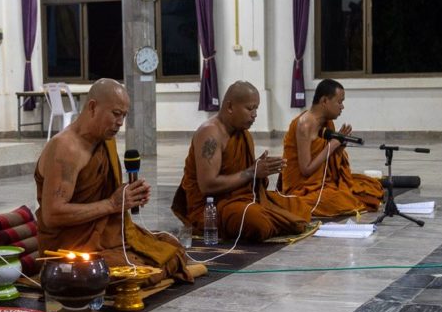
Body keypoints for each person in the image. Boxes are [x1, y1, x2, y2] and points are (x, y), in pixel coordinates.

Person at [35, 78, 193, 286]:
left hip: (104, 237)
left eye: (124, 116)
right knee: (128, 273)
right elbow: (53, 214)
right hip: (70, 247)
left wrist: (129, 195)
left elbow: (105, 193)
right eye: (116, 114)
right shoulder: (66, 149)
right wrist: (112, 204)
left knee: (171, 246)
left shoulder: (103, 141)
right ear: (92, 107)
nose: (120, 122)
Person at [171, 81, 310, 242]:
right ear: (230, 106)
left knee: (300, 208)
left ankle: (279, 220)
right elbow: (207, 185)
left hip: (242, 199)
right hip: (211, 208)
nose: (255, 114)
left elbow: (245, 176)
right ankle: (278, 221)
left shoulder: (242, 133)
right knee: (257, 223)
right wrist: (252, 172)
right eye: (250, 108)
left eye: (256, 108)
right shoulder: (210, 133)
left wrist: (259, 170)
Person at [282, 78, 383, 217]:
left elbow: (331, 163)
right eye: (339, 102)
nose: (342, 107)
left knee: (371, 186)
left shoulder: (327, 123)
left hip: (325, 183)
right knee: (339, 200)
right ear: (324, 101)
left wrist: (339, 147)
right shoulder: (304, 124)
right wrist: (333, 145)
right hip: (302, 187)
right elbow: (306, 169)